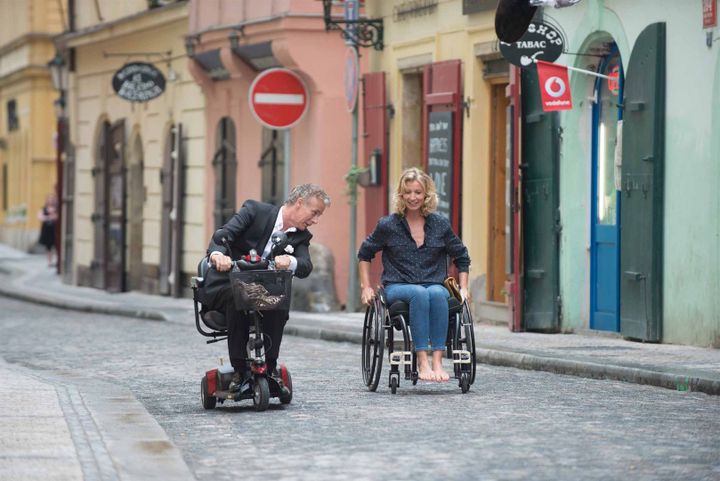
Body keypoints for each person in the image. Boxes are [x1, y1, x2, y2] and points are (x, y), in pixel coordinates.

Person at [200, 184, 330, 390]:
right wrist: (217, 255)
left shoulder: (301, 236)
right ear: (299, 203)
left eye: (319, 216)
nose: (315, 220)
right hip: (229, 282)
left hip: (265, 292)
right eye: (314, 213)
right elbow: (223, 235)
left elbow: (305, 266)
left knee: (279, 301)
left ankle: (270, 368)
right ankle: (240, 371)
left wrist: (291, 261)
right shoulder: (254, 211)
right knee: (239, 297)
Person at [358, 167, 470, 382]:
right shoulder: (388, 225)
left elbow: (462, 257)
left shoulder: (440, 224)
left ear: (426, 194)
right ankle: (422, 360)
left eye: (418, 192)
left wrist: (463, 288)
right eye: (408, 192)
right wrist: (366, 287)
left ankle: (437, 360)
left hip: (434, 283)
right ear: (401, 195)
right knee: (419, 293)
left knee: (438, 294)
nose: (413, 197)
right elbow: (365, 254)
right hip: (398, 286)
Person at [37, 193, 58, 267]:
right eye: (49, 199)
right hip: (46, 230)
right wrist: (49, 217)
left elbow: (56, 217)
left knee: (56, 245)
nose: (51, 201)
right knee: (48, 246)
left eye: (52, 199)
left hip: (54, 229)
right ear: (47, 200)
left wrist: (47, 217)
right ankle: (49, 261)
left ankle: (56, 260)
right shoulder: (44, 208)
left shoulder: (56, 209)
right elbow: (40, 217)